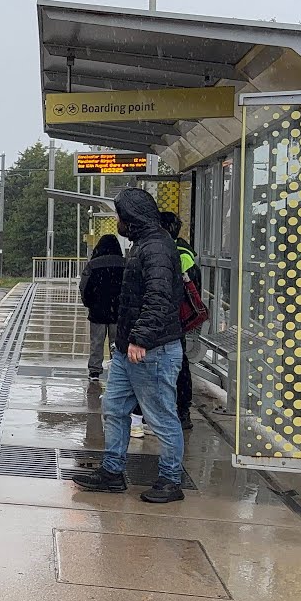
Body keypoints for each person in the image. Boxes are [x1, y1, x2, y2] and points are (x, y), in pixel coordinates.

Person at [74, 188, 187, 503]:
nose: (118, 222)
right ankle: (112, 472)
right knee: (114, 408)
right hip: (128, 350)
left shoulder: (156, 249)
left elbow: (159, 295)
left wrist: (141, 338)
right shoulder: (145, 245)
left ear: (132, 218)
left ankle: (170, 480)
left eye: (120, 216)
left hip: (150, 351)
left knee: (161, 416)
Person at [161, 211, 200, 432]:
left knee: (177, 365)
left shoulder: (178, 253)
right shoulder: (182, 250)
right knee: (178, 364)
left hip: (174, 320)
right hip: (174, 319)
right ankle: (180, 409)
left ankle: (181, 410)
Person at [78, 234, 125, 382]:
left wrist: (89, 303)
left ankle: (94, 371)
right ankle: (117, 370)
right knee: (117, 343)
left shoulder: (93, 265)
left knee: (96, 342)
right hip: (118, 311)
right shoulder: (125, 264)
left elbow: (84, 287)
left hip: (98, 311)